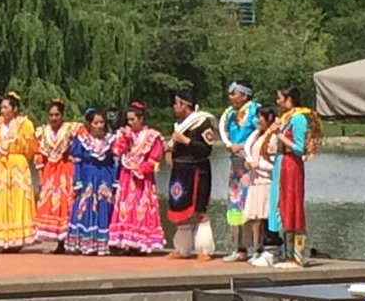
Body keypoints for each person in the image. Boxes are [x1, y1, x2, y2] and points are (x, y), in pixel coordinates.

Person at [267, 84, 323, 268]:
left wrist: (279, 135)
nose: (278, 102)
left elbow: (299, 148)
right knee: (281, 205)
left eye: (280, 98)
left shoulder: (298, 119)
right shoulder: (287, 118)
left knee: (293, 206)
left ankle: (297, 256)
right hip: (281, 163)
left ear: (289, 99)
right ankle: (288, 253)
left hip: (291, 165)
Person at [0, 93, 36, 252]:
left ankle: (17, 239)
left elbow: (30, 148)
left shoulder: (25, 124)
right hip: (1, 164)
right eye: (1, 107)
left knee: (17, 199)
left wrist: (21, 160)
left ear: (14, 109)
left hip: (17, 163)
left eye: (6, 107)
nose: (2, 110)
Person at [108, 101, 165, 254]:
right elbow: (116, 151)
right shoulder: (124, 134)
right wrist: (124, 141)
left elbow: (155, 158)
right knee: (126, 207)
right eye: (128, 120)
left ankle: (141, 243)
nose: (130, 122)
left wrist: (142, 169)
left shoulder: (152, 136)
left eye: (133, 119)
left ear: (141, 119)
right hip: (126, 177)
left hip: (142, 178)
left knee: (142, 207)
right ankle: (126, 241)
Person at [166, 90, 217, 261]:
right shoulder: (179, 124)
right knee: (180, 210)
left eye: (177, 103)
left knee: (199, 210)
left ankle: (204, 249)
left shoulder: (202, 123)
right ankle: (182, 249)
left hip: (197, 171)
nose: (174, 107)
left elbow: (206, 149)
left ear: (185, 104)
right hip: (180, 170)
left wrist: (185, 140)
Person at [66, 108, 118, 256]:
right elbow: (77, 162)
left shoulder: (111, 140)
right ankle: (86, 243)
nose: (100, 125)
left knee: (104, 206)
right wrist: (76, 181)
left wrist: (115, 181)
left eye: (102, 122)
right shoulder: (82, 140)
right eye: (96, 122)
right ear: (89, 124)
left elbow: (115, 162)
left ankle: (104, 243)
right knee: (85, 207)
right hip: (87, 177)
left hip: (105, 177)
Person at [218, 81, 260, 263]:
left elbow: (261, 132)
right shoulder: (231, 113)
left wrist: (243, 145)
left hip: (252, 165)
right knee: (236, 205)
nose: (231, 97)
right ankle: (240, 248)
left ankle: (258, 248)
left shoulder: (255, 110)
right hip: (236, 165)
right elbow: (224, 131)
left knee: (253, 207)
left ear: (244, 95)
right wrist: (229, 145)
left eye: (234, 94)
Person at [34, 99, 77, 253]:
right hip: (50, 172)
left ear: (62, 115)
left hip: (66, 168)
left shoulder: (71, 129)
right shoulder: (42, 132)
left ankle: (66, 240)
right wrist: (40, 177)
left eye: (57, 115)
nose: (53, 118)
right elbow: (39, 155)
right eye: (51, 115)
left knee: (66, 203)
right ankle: (58, 240)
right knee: (51, 204)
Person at [243, 107, 278, 267]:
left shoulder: (273, 136)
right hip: (255, 180)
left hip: (266, 180)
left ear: (269, 117)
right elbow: (249, 149)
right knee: (256, 216)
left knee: (266, 215)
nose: (258, 120)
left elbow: (274, 163)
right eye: (257, 117)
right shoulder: (258, 134)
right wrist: (249, 162)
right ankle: (259, 248)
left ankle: (272, 249)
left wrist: (259, 165)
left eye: (261, 117)